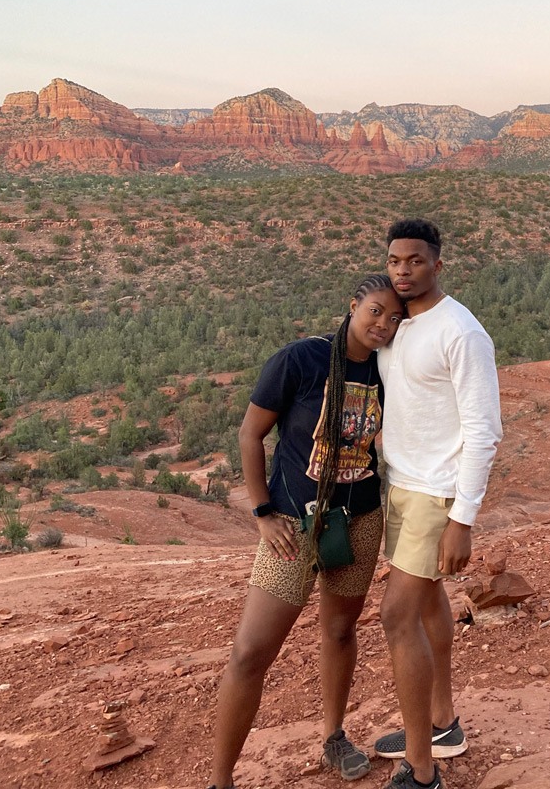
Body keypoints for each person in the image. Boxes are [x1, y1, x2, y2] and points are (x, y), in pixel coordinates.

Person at [206, 274, 405, 789]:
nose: (383, 324)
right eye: (376, 311)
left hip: (359, 519)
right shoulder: (300, 359)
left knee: (340, 630)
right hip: (293, 523)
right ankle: (221, 778)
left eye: (394, 317)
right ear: (354, 304)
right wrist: (262, 511)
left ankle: (334, 735)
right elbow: (251, 435)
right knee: (251, 652)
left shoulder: (390, 370)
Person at [375, 219, 503, 789]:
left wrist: (462, 519)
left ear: (437, 265)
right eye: (395, 260)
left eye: (415, 260)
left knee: (396, 616)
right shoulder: (396, 325)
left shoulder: (461, 332)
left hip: (436, 493)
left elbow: (484, 431)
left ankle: (422, 769)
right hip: (400, 483)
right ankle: (441, 724)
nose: (403, 270)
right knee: (427, 608)